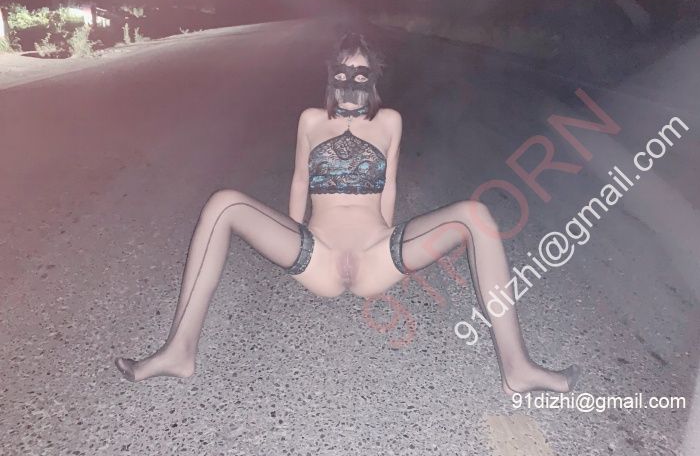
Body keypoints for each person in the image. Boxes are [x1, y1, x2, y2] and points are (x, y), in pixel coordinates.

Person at [115, 32, 581, 395]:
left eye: (362, 73)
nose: (351, 83)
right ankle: (178, 350)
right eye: (344, 72)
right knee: (223, 203)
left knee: (476, 215)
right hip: (317, 253)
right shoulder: (310, 120)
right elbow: (300, 180)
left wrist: (391, 242)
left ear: (373, 79)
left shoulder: (390, 121)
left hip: (376, 255)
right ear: (331, 77)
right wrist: (293, 240)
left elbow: (389, 185)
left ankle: (517, 366)